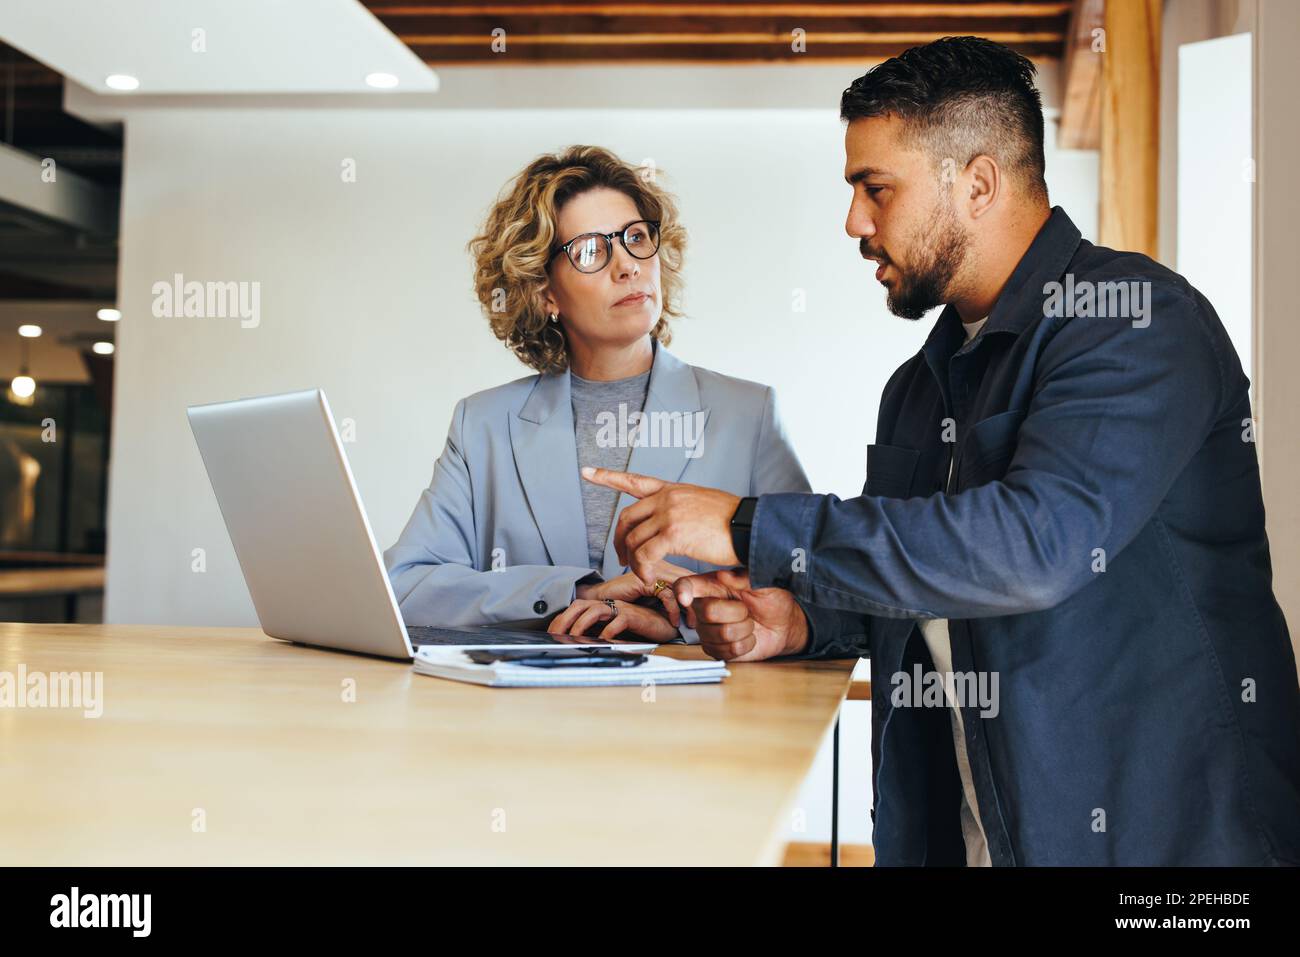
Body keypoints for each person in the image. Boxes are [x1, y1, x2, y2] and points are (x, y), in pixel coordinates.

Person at [582, 38, 1300, 865]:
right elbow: (933, 575)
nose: (854, 221)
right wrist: (800, 618)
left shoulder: (1136, 320)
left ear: (980, 183)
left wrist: (747, 525)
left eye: (874, 188)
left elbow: (1033, 548)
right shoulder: (917, 389)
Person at [385, 145, 808, 642]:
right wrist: (577, 594)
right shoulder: (482, 424)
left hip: (690, 713)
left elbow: (811, 594)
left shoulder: (748, 413)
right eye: (591, 250)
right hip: (527, 713)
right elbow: (406, 587)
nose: (627, 266)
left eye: (635, 238)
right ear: (545, 292)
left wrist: (677, 625)